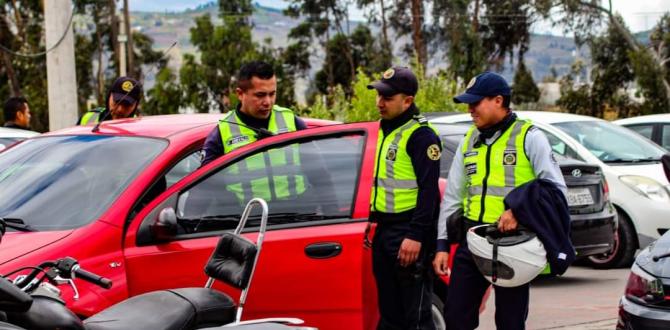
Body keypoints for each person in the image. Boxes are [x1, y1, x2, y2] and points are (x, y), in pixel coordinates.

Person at [432, 71, 567, 330]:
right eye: (468, 104)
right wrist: (441, 245)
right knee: (455, 317)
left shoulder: (529, 137)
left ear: (497, 100)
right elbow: (452, 197)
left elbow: (555, 190)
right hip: (473, 241)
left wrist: (518, 211)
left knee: (510, 321)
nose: (470, 109)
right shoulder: (469, 140)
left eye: (476, 102)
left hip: (513, 243)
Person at [367, 67, 442, 330]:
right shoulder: (381, 130)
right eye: (378, 95)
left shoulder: (421, 135)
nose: (379, 102)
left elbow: (429, 193)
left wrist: (416, 237)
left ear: (407, 100)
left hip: (408, 232)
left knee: (417, 317)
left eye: (387, 97)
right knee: (390, 314)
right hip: (384, 231)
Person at [200, 60, 306, 166]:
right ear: (240, 94)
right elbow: (205, 180)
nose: (268, 102)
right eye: (260, 95)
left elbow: (316, 167)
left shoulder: (292, 121)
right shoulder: (221, 134)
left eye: (272, 94)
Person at [78, 76, 142, 125]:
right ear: (109, 97)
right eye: (116, 101)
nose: (120, 109)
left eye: (126, 105)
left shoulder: (139, 128)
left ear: (135, 105)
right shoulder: (88, 119)